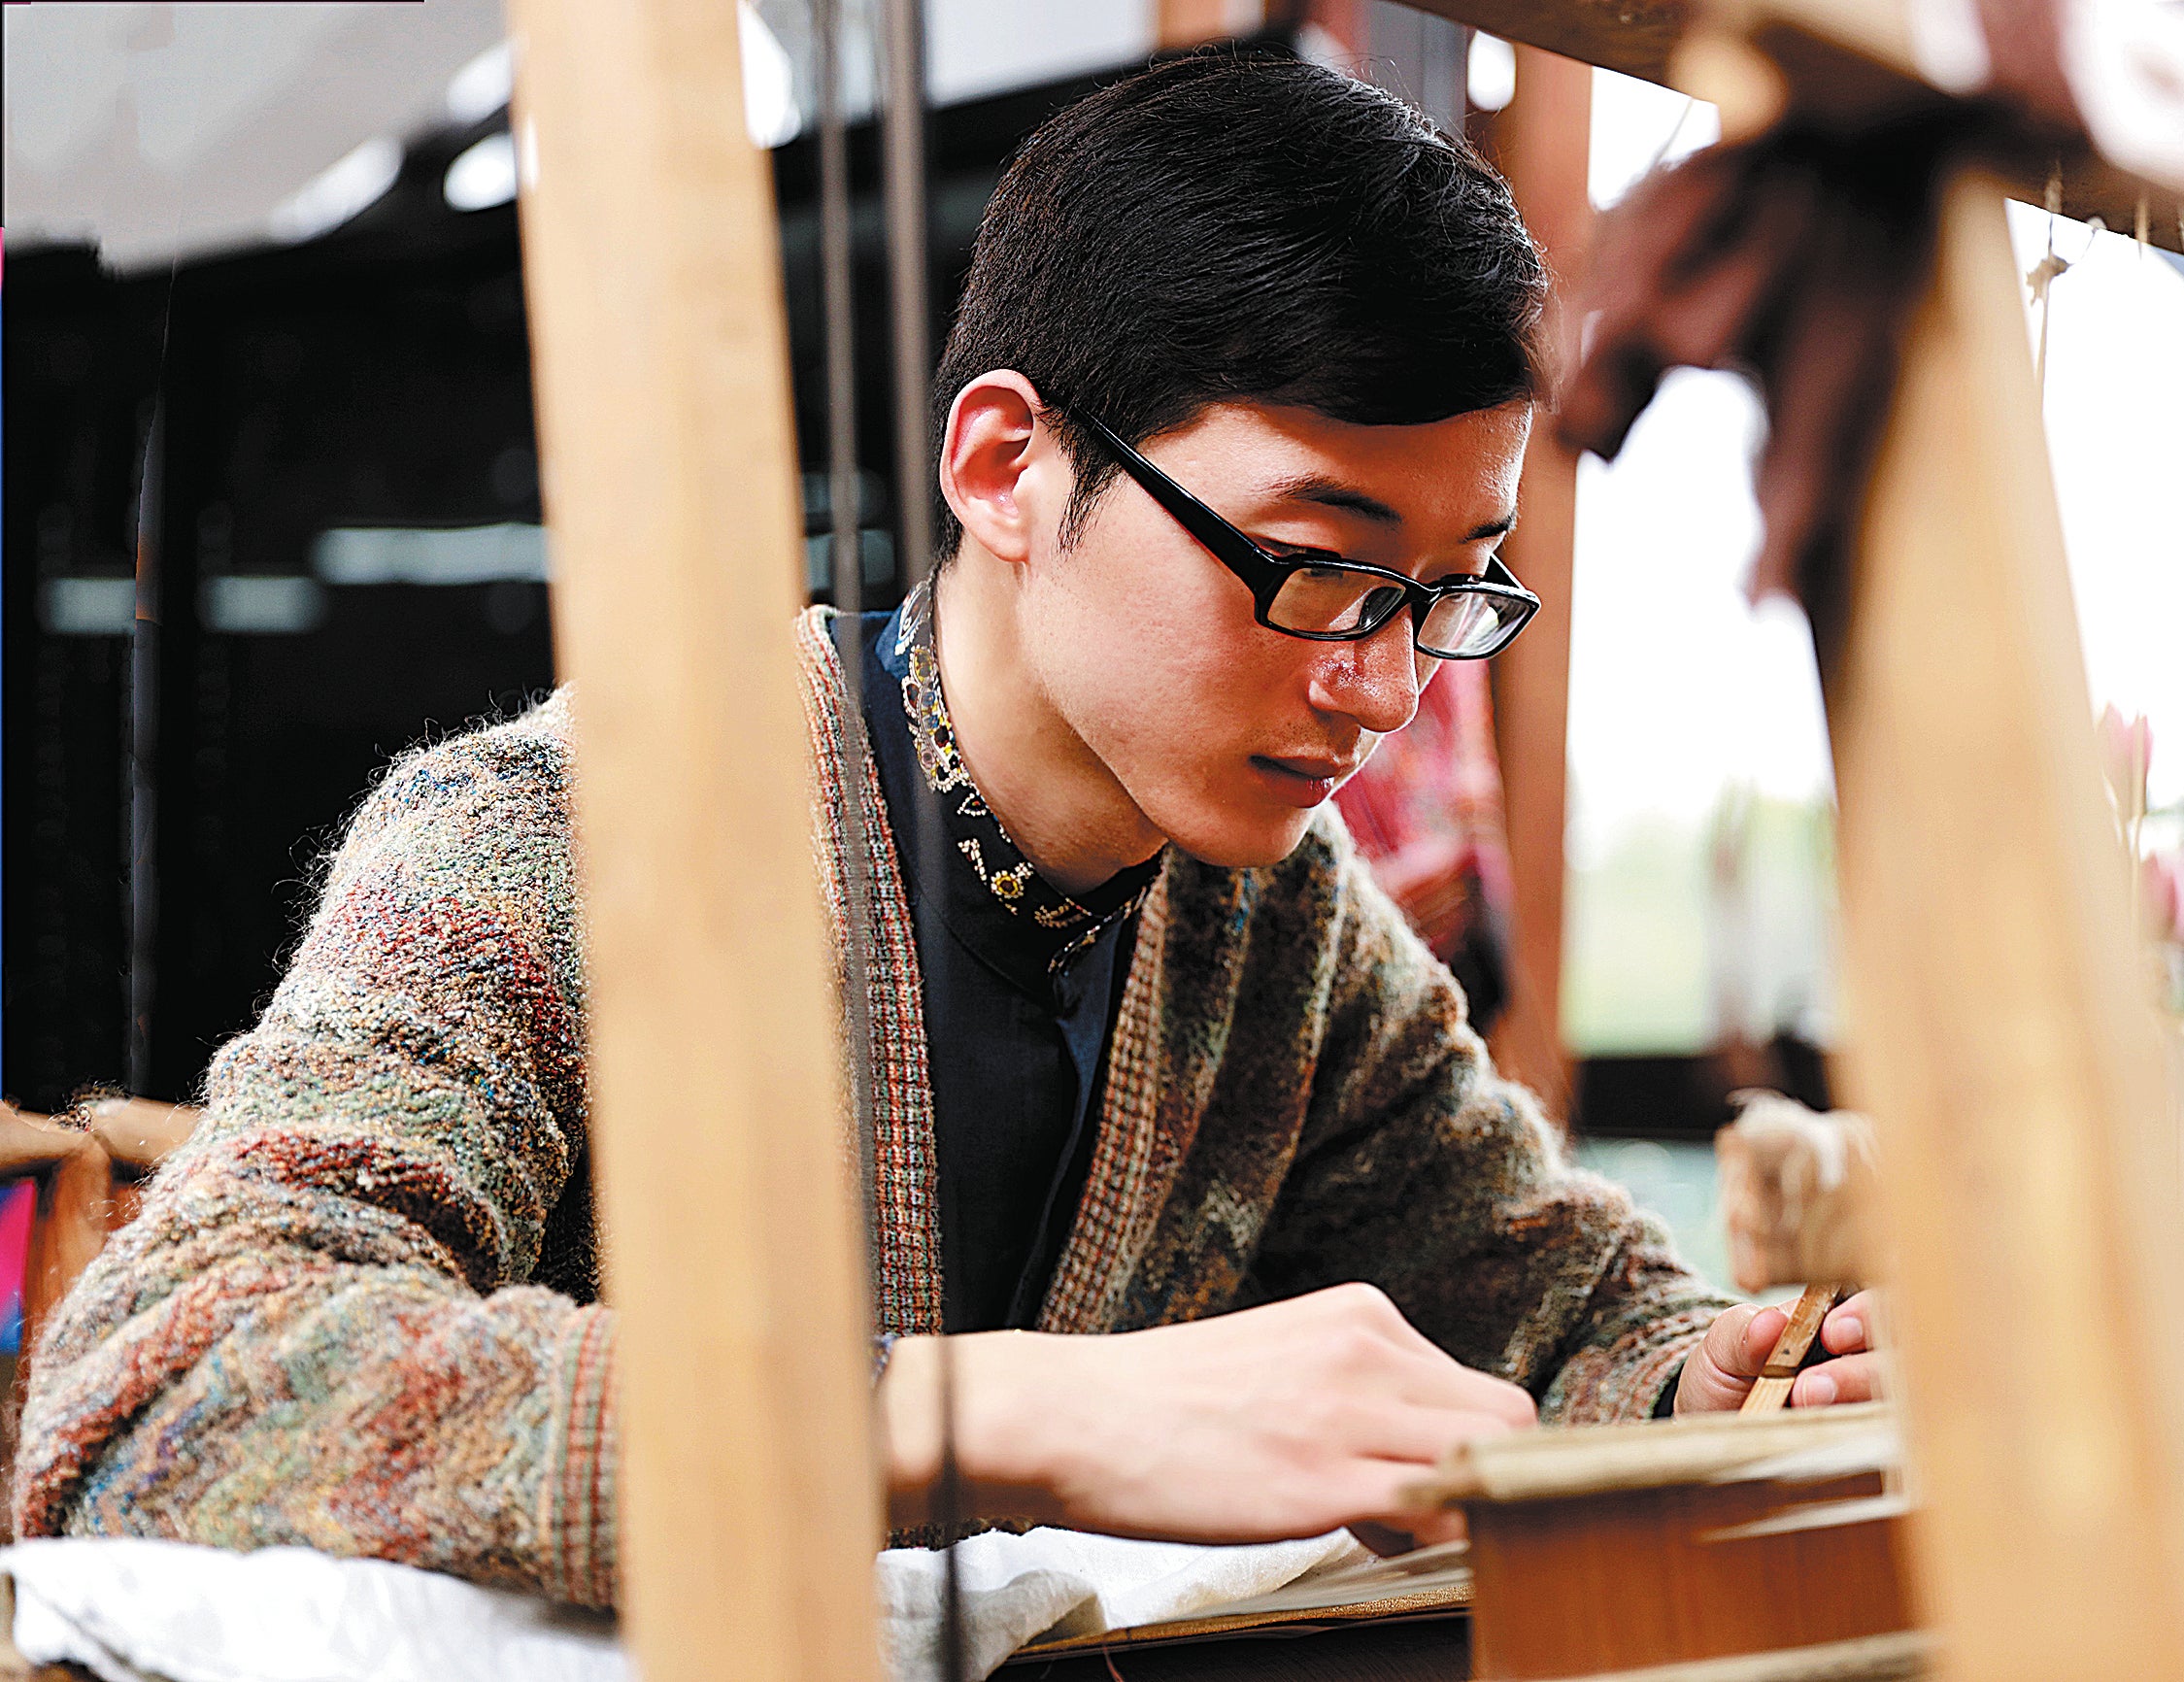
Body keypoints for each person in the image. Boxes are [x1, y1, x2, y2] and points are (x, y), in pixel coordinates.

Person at [14, 50, 1877, 1609]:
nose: (1383, 692)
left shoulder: (1282, 939)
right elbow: (154, 1391)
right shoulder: (561, 839)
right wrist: (1001, 1415)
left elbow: (1575, 1306)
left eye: (1449, 590)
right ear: (1003, 465)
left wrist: (1695, 1383)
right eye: (1314, 571)